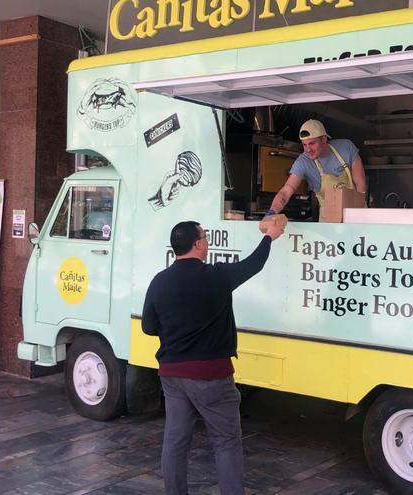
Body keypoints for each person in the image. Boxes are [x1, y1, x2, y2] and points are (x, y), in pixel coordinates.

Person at [142, 219, 285, 495]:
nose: (207, 241)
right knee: (226, 441)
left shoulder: (158, 282)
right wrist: (270, 237)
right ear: (197, 244)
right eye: (205, 237)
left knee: (175, 441)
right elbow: (253, 264)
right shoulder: (217, 276)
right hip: (211, 376)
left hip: (172, 375)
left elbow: (149, 327)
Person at [266, 119, 366, 216]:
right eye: (304, 145)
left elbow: (360, 182)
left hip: (357, 213)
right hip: (329, 222)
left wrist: (358, 214)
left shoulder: (346, 147)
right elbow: (286, 190)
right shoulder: (303, 163)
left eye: (312, 143)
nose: (308, 149)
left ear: (323, 139)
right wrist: (272, 212)